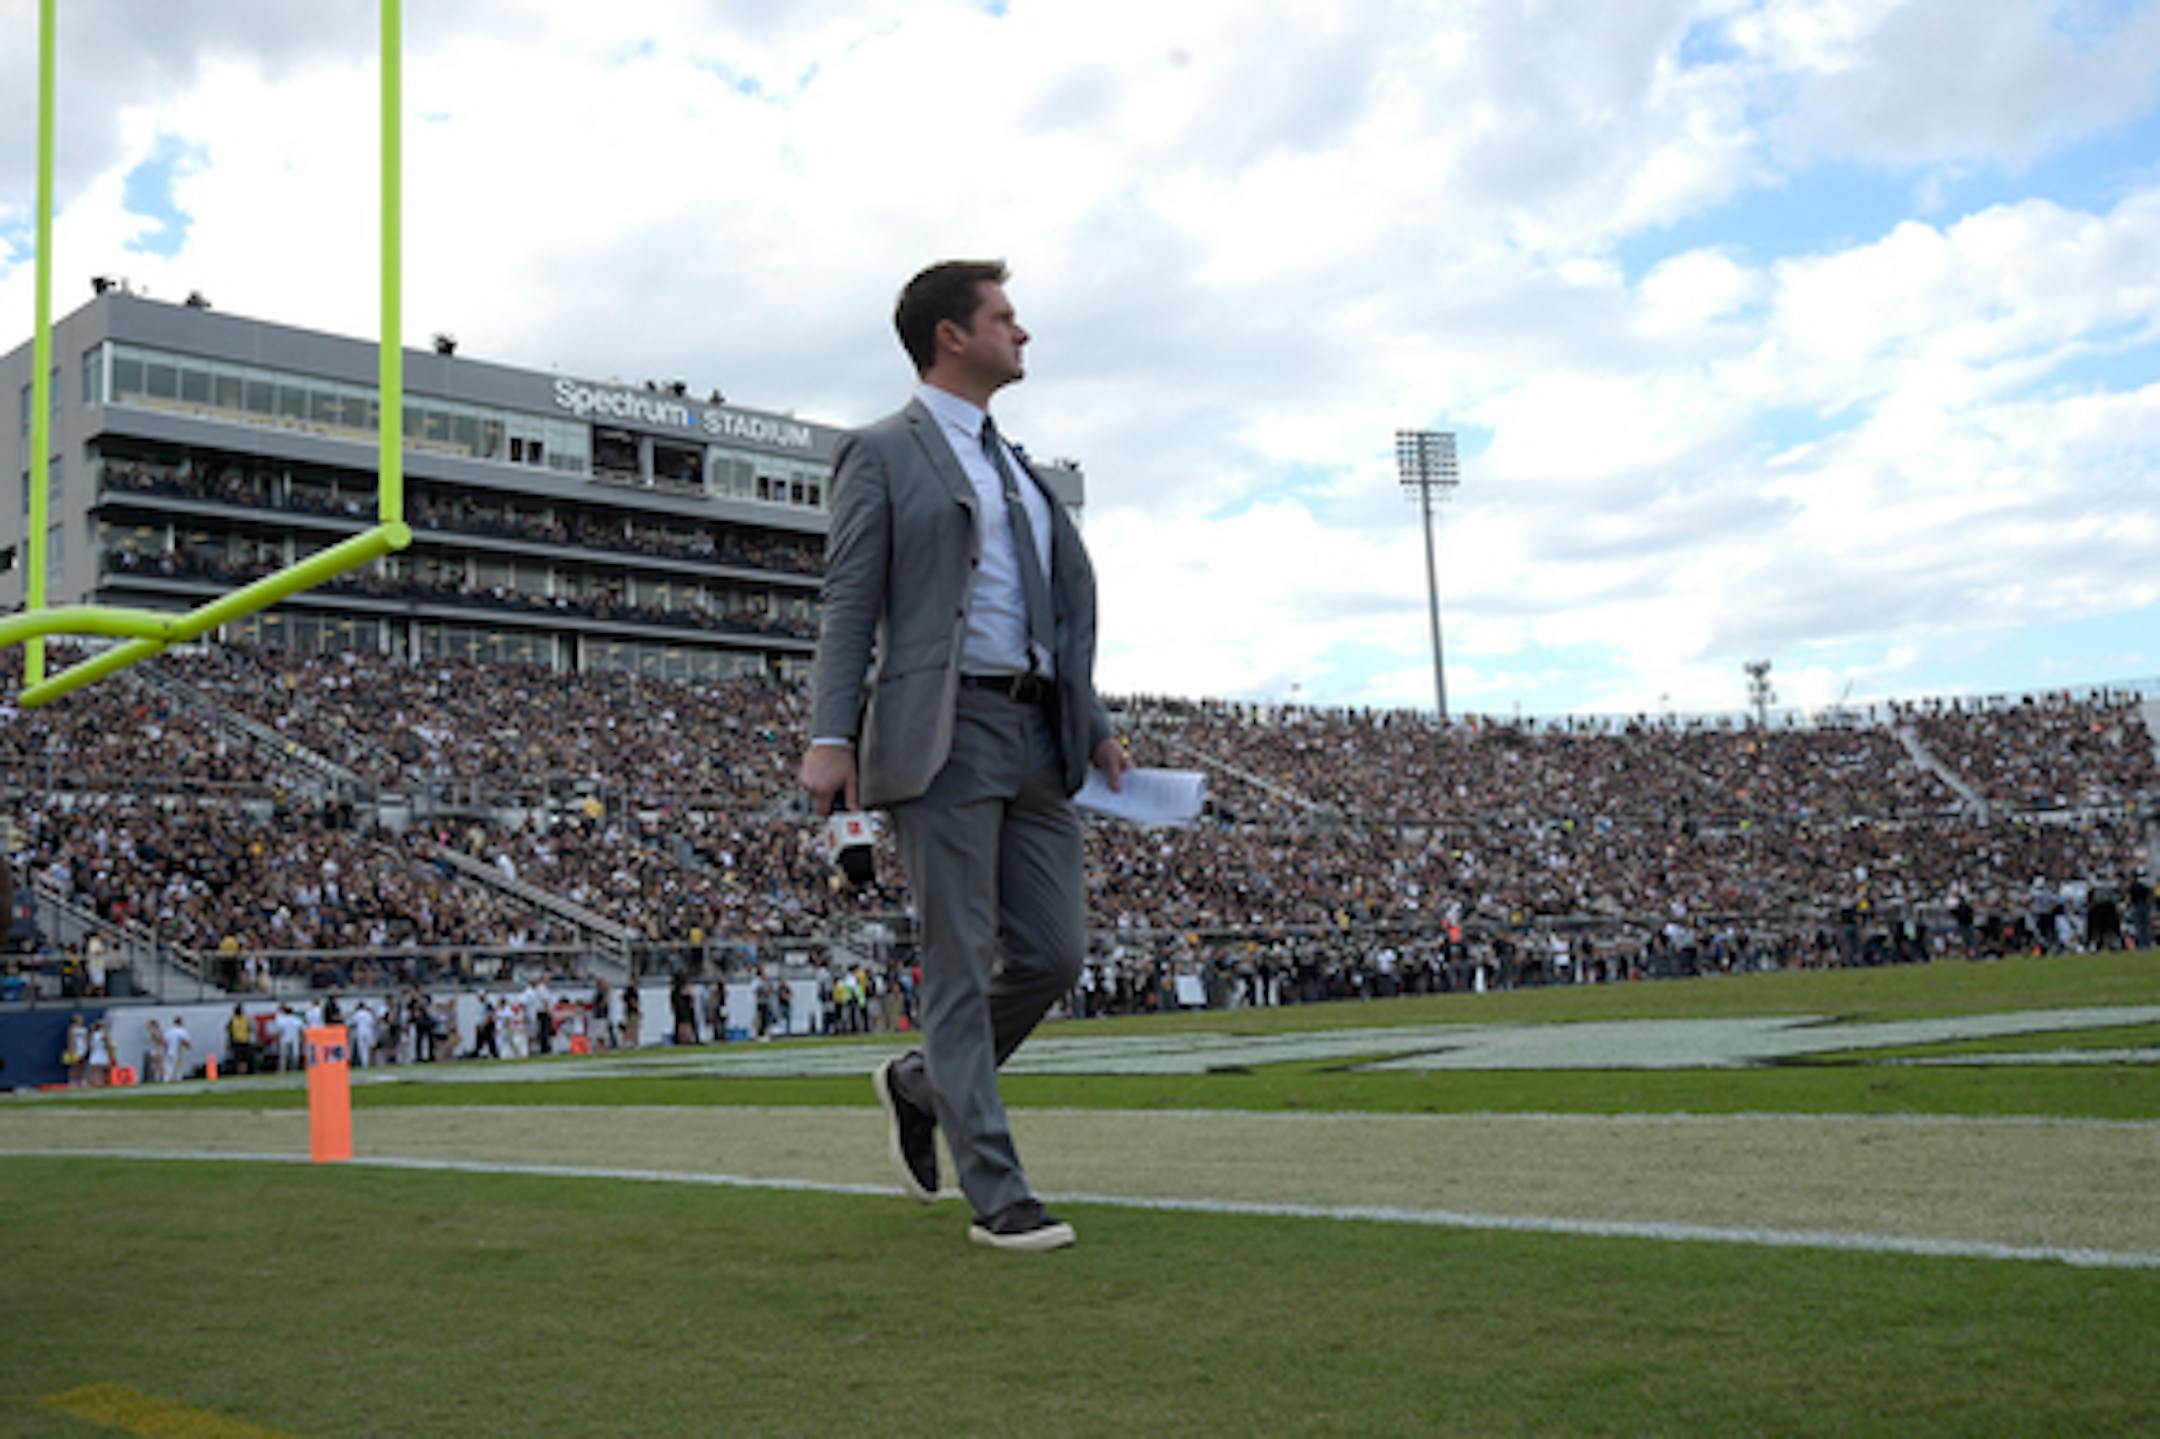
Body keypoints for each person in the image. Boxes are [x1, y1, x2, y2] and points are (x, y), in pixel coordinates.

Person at [800, 259, 1130, 1252]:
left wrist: (1097, 716)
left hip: (1041, 729)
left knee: (1054, 951)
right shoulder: (882, 452)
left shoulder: (1017, 465)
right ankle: (999, 1191)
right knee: (956, 959)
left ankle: (916, 1082)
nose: (1021, 332)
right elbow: (850, 602)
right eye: (1004, 316)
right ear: (952, 334)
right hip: (943, 727)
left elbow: (1047, 612)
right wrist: (829, 734)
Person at [165, 1015, 192, 1082]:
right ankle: (177, 1079)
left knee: (168, 1067)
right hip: (177, 1051)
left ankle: (167, 1079)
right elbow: (183, 1040)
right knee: (178, 1066)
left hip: (168, 1051)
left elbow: (164, 1041)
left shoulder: (169, 1031)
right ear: (180, 1022)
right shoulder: (181, 1031)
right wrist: (189, 1046)